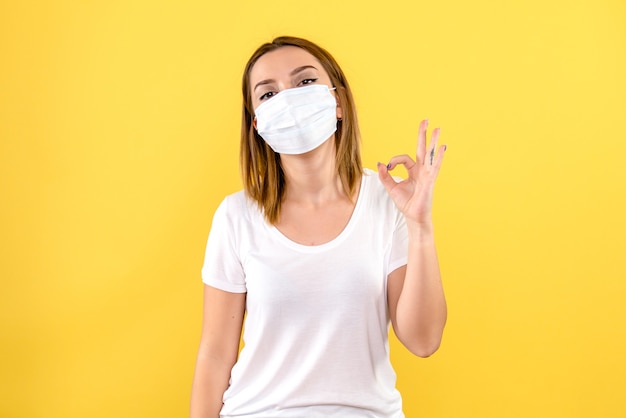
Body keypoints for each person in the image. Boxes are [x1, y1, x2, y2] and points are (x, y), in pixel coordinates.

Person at [190, 36, 447, 418]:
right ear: (258, 123)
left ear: (337, 102)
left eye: (305, 82)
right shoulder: (236, 216)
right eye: (268, 93)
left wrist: (420, 227)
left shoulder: (386, 201)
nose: (289, 99)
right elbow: (214, 354)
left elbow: (424, 340)